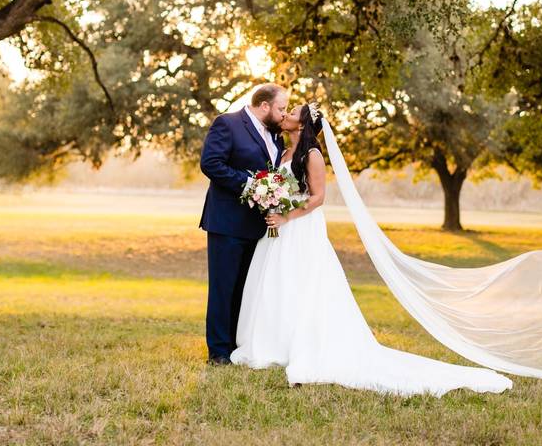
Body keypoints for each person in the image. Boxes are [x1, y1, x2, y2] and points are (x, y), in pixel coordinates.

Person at [229, 103, 513, 396]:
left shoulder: (312, 155)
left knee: (303, 284)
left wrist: (286, 216)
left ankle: (302, 346)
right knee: (279, 283)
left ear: (302, 125)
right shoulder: (284, 152)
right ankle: (273, 343)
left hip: (301, 228)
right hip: (281, 227)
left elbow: (318, 198)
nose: (284, 116)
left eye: (291, 114)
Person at [198, 83, 289, 365]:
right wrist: (250, 184)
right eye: (281, 108)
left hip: (257, 226)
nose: (284, 114)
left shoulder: (276, 136)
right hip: (226, 222)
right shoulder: (228, 124)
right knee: (223, 288)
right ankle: (219, 352)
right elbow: (210, 163)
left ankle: (238, 346)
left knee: (244, 290)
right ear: (265, 106)